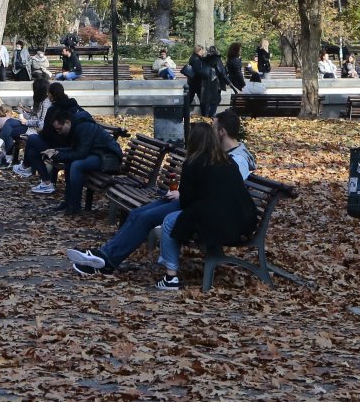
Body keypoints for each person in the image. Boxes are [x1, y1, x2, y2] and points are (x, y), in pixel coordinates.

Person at [67, 116, 256, 277]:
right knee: (138, 214)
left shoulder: (214, 160)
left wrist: (182, 195)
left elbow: (206, 195)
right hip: (199, 205)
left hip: (201, 209)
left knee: (145, 217)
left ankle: (107, 260)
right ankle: (104, 254)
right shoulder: (217, 158)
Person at [154, 110, 260, 290]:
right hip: (244, 220)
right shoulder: (227, 160)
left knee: (170, 221)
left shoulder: (193, 162)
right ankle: (168, 263)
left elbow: (186, 202)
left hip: (219, 223)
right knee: (179, 219)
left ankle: (170, 276)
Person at [34, 108, 122, 215]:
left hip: (108, 158)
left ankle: (74, 205)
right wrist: (56, 151)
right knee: (70, 163)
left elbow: (80, 153)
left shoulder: (84, 127)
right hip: (97, 154)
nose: (59, 132)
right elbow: (76, 150)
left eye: (59, 129)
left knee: (76, 165)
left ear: (67, 122)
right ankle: (68, 202)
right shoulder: (75, 127)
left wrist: (58, 154)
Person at [0, 76, 53, 168]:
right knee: (9, 124)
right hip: (30, 125)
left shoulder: (46, 103)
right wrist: (22, 112)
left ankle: (6, 156)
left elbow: (42, 123)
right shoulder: (38, 101)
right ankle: (8, 158)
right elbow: (33, 116)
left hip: (35, 129)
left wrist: (27, 122)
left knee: (9, 129)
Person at [184, 46, 225, 118]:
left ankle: (204, 115)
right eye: (202, 51)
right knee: (203, 101)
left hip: (195, 83)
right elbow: (199, 71)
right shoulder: (195, 59)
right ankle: (205, 116)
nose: (203, 52)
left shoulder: (196, 58)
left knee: (201, 100)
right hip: (196, 83)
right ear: (199, 51)